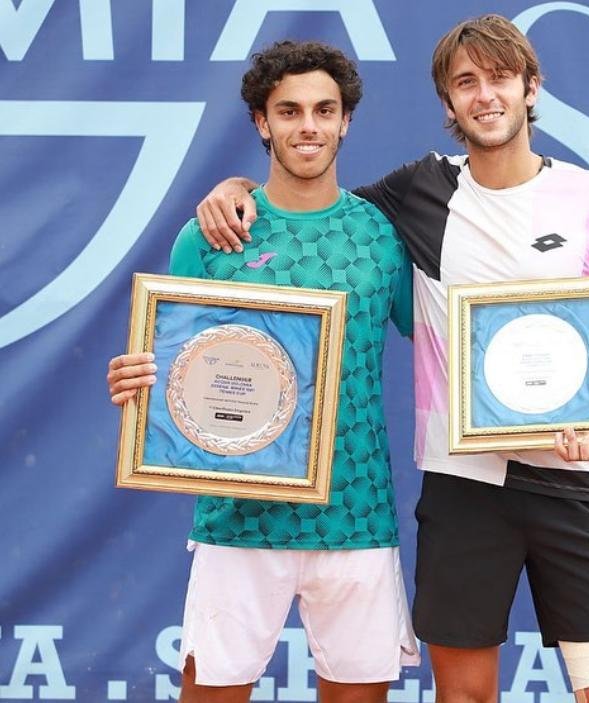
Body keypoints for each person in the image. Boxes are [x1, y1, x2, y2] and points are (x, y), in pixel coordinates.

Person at [191, 14, 589, 703]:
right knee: (465, 696)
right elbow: (310, 205)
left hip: (577, 480)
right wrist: (235, 185)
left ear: (531, 88)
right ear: (447, 104)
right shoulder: (416, 192)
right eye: (465, 82)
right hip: (463, 486)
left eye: (500, 77)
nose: (485, 95)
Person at [107, 41, 418, 703]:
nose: (308, 125)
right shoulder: (212, 234)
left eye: (324, 110)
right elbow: (170, 369)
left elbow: (445, 344)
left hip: (357, 516)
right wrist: (136, 381)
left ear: (345, 122)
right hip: (238, 516)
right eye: (289, 110)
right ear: (260, 121)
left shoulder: (382, 235)